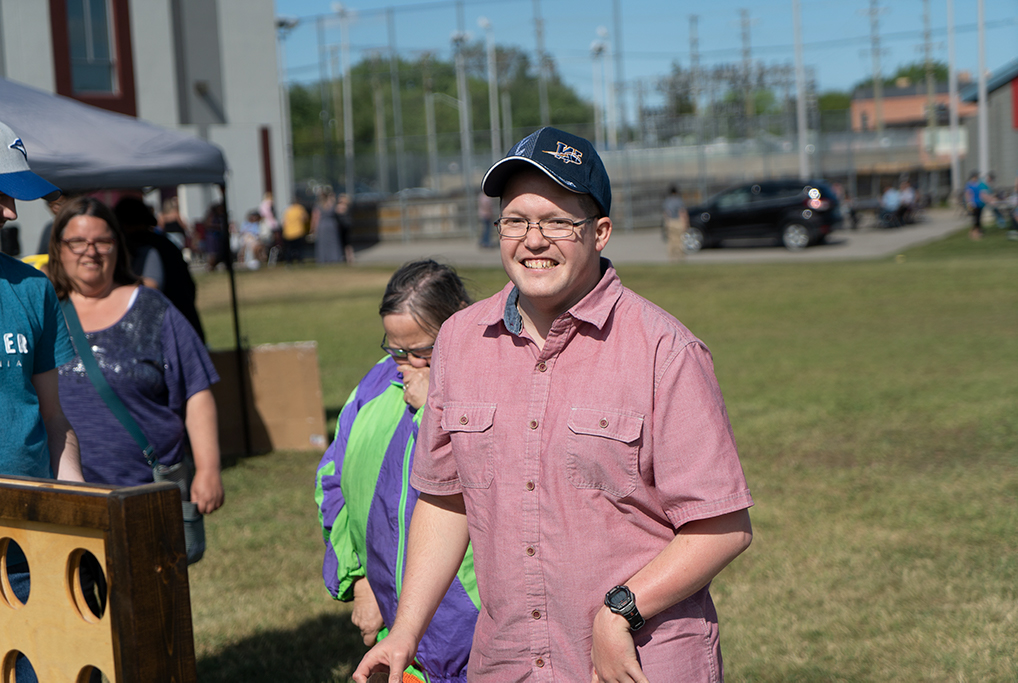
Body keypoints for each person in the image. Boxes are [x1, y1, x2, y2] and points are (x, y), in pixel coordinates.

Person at [353, 127, 753, 683]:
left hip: (639, 661)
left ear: (600, 232)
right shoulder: (461, 341)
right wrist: (405, 632)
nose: (532, 240)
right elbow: (445, 501)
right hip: (509, 663)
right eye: (515, 220)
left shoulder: (665, 351)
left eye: (558, 222)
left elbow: (723, 525)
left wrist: (622, 610)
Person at [316, 260, 479, 682]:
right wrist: (360, 581)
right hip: (401, 638)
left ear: (457, 323)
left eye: (421, 351)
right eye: (393, 348)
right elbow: (333, 483)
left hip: (474, 639)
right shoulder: (372, 390)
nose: (404, 363)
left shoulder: (486, 388)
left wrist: (435, 408)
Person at [48, 197, 224, 513]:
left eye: (102, 241)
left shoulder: (152, 308)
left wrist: (209, 469)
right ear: (58, 249)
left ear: (118, 246)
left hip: (148, 494)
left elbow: (196, 389)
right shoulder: (43, 313)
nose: (91, 251)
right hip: (67, 498)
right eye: (77, 242)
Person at [0, 118, 83, 683]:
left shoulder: (31, 290)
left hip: (29, 535)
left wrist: (81, 513)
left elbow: (54, 418)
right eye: (1, 194)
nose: (11, 211)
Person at [113, 196, 205, 342]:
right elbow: (190, 286)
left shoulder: (135, 248)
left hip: (165, 333)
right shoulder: (167, 244)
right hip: (186, 323)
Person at [311, 187, 342, 264]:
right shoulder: (331, 203)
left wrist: (313, 229)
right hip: (331, 224)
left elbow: (315, 218)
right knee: (333, 243)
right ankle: (334, 258)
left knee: (323, 243)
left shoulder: (318, 205)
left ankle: (324, 258)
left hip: (322, 225)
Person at [662, 184, 689, 260]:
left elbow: (666, 214)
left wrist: (666, 224)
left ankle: (672, 258)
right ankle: (680, 258)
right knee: (679, 240)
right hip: (678, 222)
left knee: (671, 241)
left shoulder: (667, 201)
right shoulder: (679, 201)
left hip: (670, 222)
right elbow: (682, 213)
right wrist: (685, 224)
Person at [964, 171, 991, 240]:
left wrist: (987, 199)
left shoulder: (978, 184)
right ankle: (975, 233)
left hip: (979, 203)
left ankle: (977, 231)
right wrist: (968, 203)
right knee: (975, 218)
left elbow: (982, 193)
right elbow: (968, 194)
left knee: (978, 218)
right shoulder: (969, 184)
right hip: (973, 203)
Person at [282, 197, 309, 264]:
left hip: (288, 232)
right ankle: (299, 260)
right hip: (298, 231)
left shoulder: (287, 210)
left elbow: (284, 221)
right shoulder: (300, 208)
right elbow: (305, 218)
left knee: (289, 248)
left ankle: (289, 261)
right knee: (299, 248)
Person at [336, 193, 355, 264]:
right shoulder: (347, 206)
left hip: (344, 227)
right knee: (346, 244)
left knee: (347, 244)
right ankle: (348, 257)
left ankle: (349, 258)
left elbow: (338, 211)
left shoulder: (343, 207)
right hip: (343, 227)